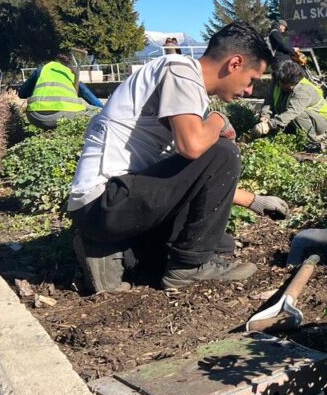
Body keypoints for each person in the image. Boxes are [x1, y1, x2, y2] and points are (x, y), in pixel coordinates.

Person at [67, 22, 288, 294]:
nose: (250, 90)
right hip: (102, 203)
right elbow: (193, 148)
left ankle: (111, 251)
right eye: (252, 79)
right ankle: (188, 268)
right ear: (235, 63)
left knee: (219, 243)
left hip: (114, 205)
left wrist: (253, 201)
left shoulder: (185, 91)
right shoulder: (180, 70)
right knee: (224, 152)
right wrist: (218, 120)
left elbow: (191, 180)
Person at [252, 55, 327, 146]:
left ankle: (311, 144)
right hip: (293, 119)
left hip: (319, 121)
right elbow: (269, 102)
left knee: (298, 115)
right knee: (263, 120)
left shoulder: (304, 89)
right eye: (287, 84)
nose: (290, 87)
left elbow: (292, 112)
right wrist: (265, 116)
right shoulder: (276, 82)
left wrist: (270, 124)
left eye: (293, 84)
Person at [18, 54, 103, 129]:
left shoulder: (42, 70)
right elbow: (87, 94)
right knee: (94, 111)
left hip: (36, 117)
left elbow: (22, 94)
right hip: (64, 116)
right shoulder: (70, 74)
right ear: (68, 64)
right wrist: (103, 109)